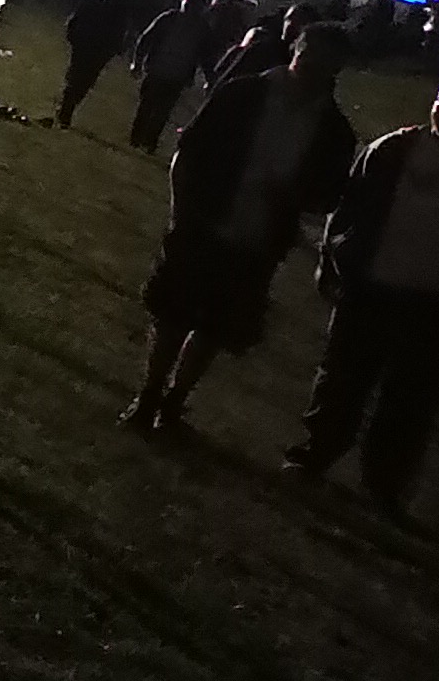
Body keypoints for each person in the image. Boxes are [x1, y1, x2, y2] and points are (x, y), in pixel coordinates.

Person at [284, 77, 439, 513]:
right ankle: (314, 455)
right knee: (342, 381)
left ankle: (384, 483)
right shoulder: (395, 150)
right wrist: (333, 261)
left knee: (411, 400)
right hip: (374, 287)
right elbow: (349, 210)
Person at [125, 24, 357, 434]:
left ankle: (173, 403)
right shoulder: (245, 94)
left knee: (213, 326)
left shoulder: (333, 129)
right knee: (173, 314)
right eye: (311, 56)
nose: (314, 68)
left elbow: (329, 194)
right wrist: (182, 214)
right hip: (205, 221)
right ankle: (149, 398)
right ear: (296, 50)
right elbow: (189, 153)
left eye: (325, 62)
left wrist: (294, 197)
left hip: (259, 239)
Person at [124, 0, 220, 153]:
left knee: (148, 105)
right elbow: (207, 58)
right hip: (176, 75)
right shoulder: (201, 29)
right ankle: (148, 140)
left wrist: (137, 62)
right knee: (161, 109)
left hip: (160, 70)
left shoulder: (170, 18)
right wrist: (211, 79)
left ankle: (139, 137)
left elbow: (146, 39)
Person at [56, 0, 134, 129]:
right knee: (82, 80)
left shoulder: (101, 7)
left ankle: (67, 106)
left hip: (90, 48)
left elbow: (75, 20)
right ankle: (67, 108)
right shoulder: (107, 9)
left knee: (79, 78)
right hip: (93, 49)